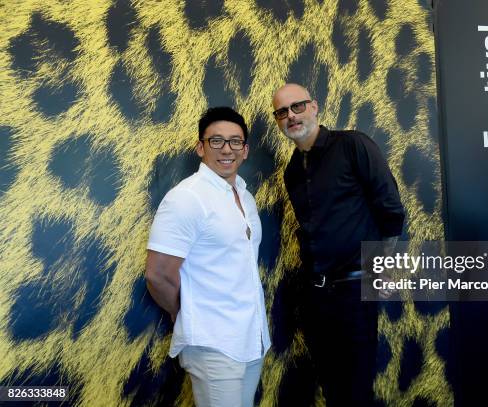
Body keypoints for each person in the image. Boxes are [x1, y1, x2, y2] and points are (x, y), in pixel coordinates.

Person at [271, 83, 405, 406]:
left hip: (356, 291)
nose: (291, 116)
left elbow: (391, 210)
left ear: (314, 107)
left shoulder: (353, 145)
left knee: (356, 393)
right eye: (282, 112)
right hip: (317, 298)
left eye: (297, 106)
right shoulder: (291, 171)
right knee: (332, 392)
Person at [145, 106, 270, 407]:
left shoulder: (245, 195)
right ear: (201, 147)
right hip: (213, 344)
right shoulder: (187, 198)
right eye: (216, 141)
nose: (226, 149)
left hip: (252, 338)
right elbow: (158, 274)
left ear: (245, 150)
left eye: (235, 141)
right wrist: (185, 312)